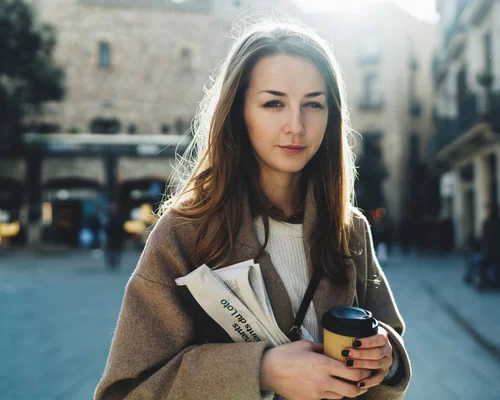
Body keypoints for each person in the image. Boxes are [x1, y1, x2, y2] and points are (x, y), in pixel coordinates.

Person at [95, 20, 410, 400]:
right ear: (238, 112)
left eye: (313, 104)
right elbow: (126, 390)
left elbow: (389, 342)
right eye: (273, 103)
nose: (296, 125)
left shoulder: (351, 229)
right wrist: (260, 371)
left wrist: (384, 358)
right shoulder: (184, 233)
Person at [480, 202, 500, 288]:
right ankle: (493, 281)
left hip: (494, 248)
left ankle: (494, 281)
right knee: (495, 265)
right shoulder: (498, 221)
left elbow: (486, 236)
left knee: (495, 265)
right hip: (494, 248)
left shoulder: (492, 222)